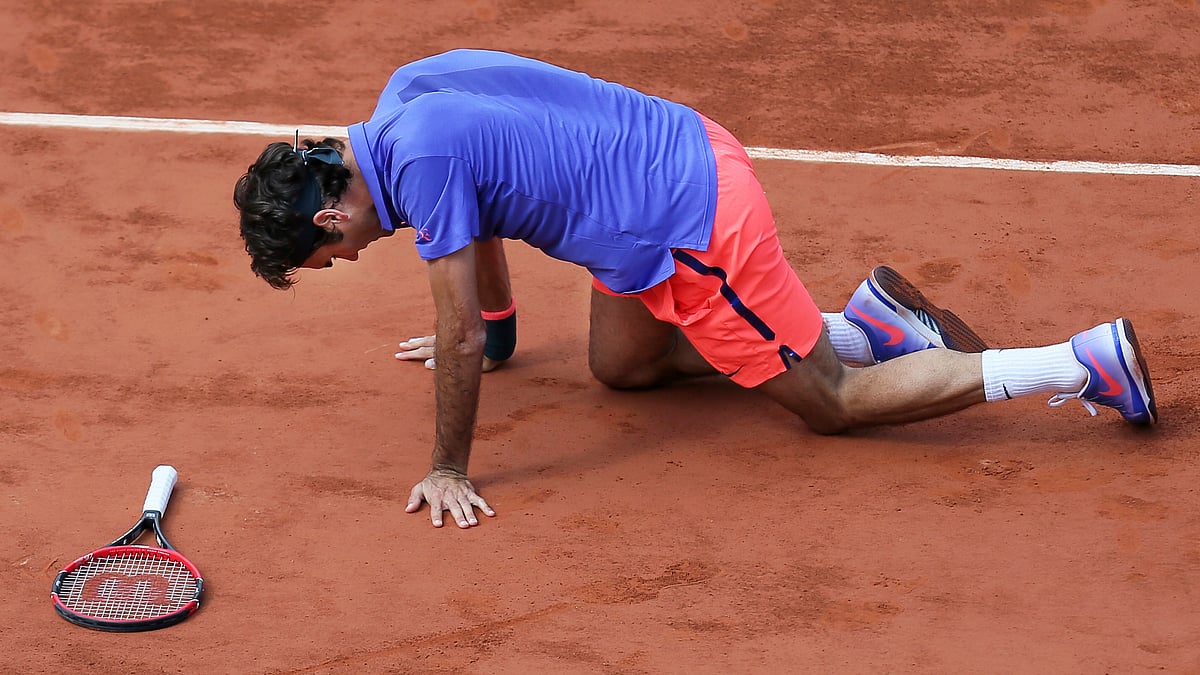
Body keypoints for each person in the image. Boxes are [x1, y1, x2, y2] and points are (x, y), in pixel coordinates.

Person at [233, 49, 1158, 530]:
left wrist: (448, 466)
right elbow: (477, 246)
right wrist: (505, 334)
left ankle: (1078, 363)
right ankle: (867, 324)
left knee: (831, 404)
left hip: (688, 218)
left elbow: (459, 331)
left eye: (329, 257)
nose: (347, 261)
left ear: (330, 217)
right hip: (656, 176)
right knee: (621, 366)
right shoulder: (404, 102)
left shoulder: (420, 168)